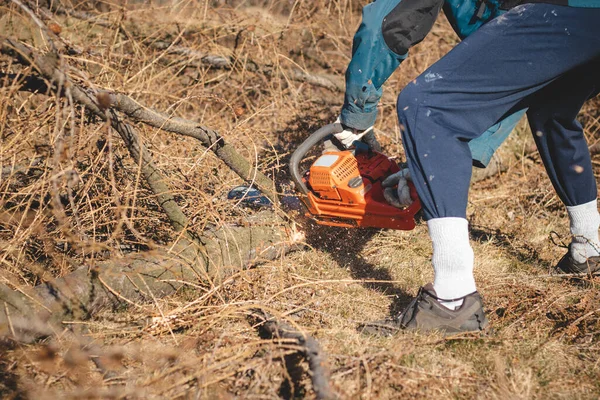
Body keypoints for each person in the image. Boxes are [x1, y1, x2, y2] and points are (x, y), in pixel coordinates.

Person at [332, 0, 600, 334]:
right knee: (552, 112)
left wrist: (357, 112)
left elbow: (389, 19)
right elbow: (506, 89)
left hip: (555, 11)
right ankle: (590, 248)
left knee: (424, 106)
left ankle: (452, 299)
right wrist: (432, 166)